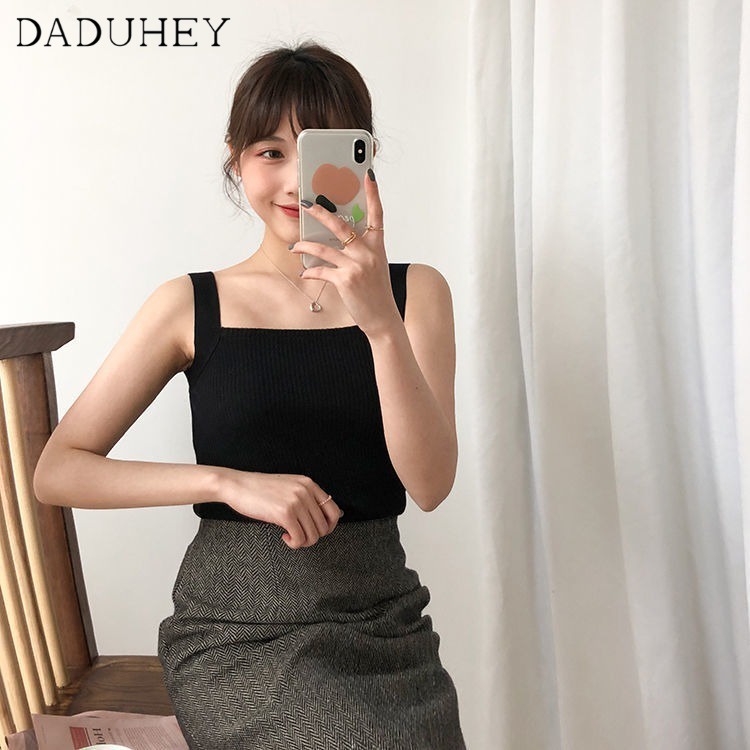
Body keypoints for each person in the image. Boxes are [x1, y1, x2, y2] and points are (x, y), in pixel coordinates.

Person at [33, 39, 465, 749]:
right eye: (270, 152)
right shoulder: (188, 304)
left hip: (384, 622)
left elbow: (431, 484)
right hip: (239, 628)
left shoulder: (417, 293)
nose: (295, 180)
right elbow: (58, 470)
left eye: (318, 152)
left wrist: (381, 324)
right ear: (237, 161)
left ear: (362, 159)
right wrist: (227, 483)